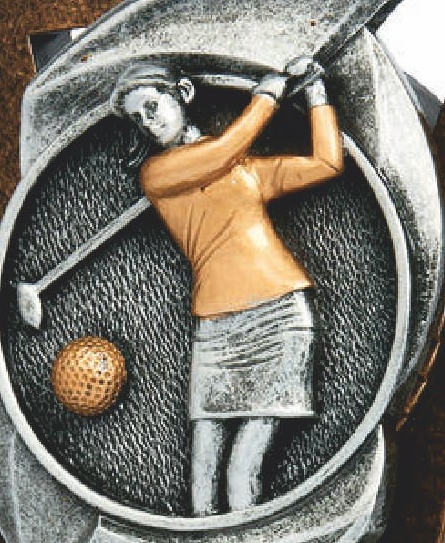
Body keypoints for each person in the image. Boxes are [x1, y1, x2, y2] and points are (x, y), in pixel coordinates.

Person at [112, 54, 342, 514]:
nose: (148, 122)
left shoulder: (243, 170)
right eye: (138, 118)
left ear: (184, 93)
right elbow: (222, 151)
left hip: (280, 319)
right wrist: (266, 96)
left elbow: (327, 164)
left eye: (152, 106)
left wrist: (318, 94)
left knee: (244, 471)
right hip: (216, 330)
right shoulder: (158, 175)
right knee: (202, 477)